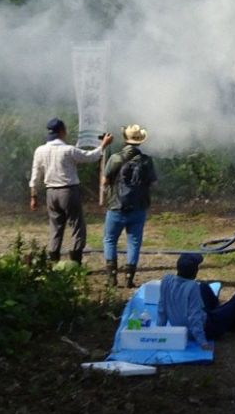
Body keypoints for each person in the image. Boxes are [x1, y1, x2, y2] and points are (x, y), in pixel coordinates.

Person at [29, 118, 113, 264]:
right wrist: (103, 145)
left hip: (51, 192)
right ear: (62, 131)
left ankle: (54, 261)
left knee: (55, 227)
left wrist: (34, 196)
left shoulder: (40, 150)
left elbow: (35, 176)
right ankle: (75, 262)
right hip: (68, 191)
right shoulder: (68, 150)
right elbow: (91, 156)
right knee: (77, 226)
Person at [101, 124, 157, 288]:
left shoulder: (116, 158)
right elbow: (154, 183)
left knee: (110, 240)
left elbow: (105, 181)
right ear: (140, 141)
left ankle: (111, 278)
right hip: (138, 207)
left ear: (125, 139)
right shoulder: (146, 160)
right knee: (134, 242)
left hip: (116, 206)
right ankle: (129, 278)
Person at [158, 252, 235, 348]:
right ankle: (231, 324)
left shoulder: (166, 280)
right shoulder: (192, 287)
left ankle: (220, 315)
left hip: (180, 326)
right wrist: (203, 342)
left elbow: (162, 307)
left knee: (203, 286)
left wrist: (159, 330)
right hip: (206, 328)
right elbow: (194, 317)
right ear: (195, 271)